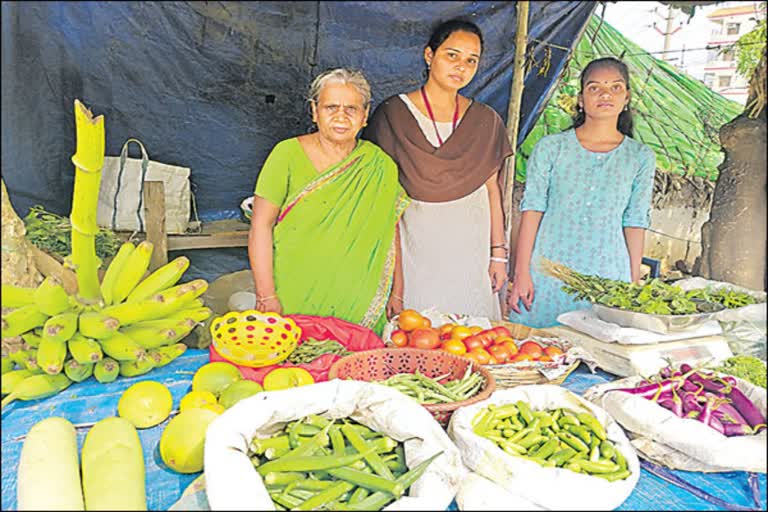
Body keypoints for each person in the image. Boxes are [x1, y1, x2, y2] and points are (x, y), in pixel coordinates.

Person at [364, 18, 513, 320]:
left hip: (471, 254)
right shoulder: (392, 115)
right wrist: (395, 279)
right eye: (452, 55)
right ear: (429, 55)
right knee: (419, 339)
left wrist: (498, 255)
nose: (461, 66)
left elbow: (492, 190)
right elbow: (384, 203)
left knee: (475, 345)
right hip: (416, 252)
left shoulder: (486, 121)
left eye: (471, 60)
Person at [247, 68, 409, 335]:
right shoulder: (286, 154)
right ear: (315, 111)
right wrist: (266, 295)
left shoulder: (381, 166)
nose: (341, 117)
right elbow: (260, 226)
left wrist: (397, 292)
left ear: (365, 116)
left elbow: (389, 232)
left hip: (360, 299)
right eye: (331, 107)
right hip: (292, 292)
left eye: (351, 109)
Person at [507, 57, 656, 328]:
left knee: (602, 357)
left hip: (608, 275)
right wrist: (521, 272)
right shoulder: (551, 148)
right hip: (548, 272)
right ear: (580, 98)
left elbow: (635, 222)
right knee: (536, 353)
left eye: (615, 87)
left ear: (627, 98)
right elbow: (532, 211)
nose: (605, 95)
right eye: (594, 88)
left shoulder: (640, 157)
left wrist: (633, 286)